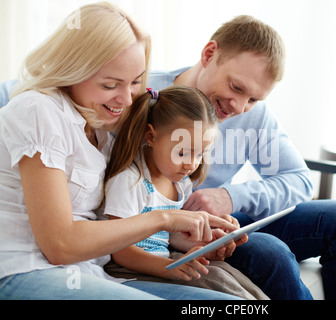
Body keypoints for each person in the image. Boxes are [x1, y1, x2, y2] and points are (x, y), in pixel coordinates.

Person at [0, 2, 240, 300]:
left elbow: (117, 222)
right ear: (73, 70)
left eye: (136, 82)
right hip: (24, 270)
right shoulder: (38, 110)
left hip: (91, 273)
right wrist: (164, 219)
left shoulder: (104, 125)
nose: (127, 99)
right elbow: (59, 244)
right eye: (111, 84)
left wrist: (194, 235)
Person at [147, 15, 336, 300]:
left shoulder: (253, 115)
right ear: (209, 54)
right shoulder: (147, 94)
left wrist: (230, 196)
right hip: (170, 229)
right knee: (269, 252)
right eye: (236, 88)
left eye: (253, 99)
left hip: (222, 220)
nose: (239, 107)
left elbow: (299, 181)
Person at [101, 85, 268, 299]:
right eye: (182, 152)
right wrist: (166, 267)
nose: (191, 164)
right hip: (129, 270)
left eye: (200, 154)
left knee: (224, 274)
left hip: (166, 259)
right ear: (151, 136)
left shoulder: (180, 183)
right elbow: (119, 250)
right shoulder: (129, 181)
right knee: (215, 280)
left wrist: (206, 245)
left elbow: (171, 238)